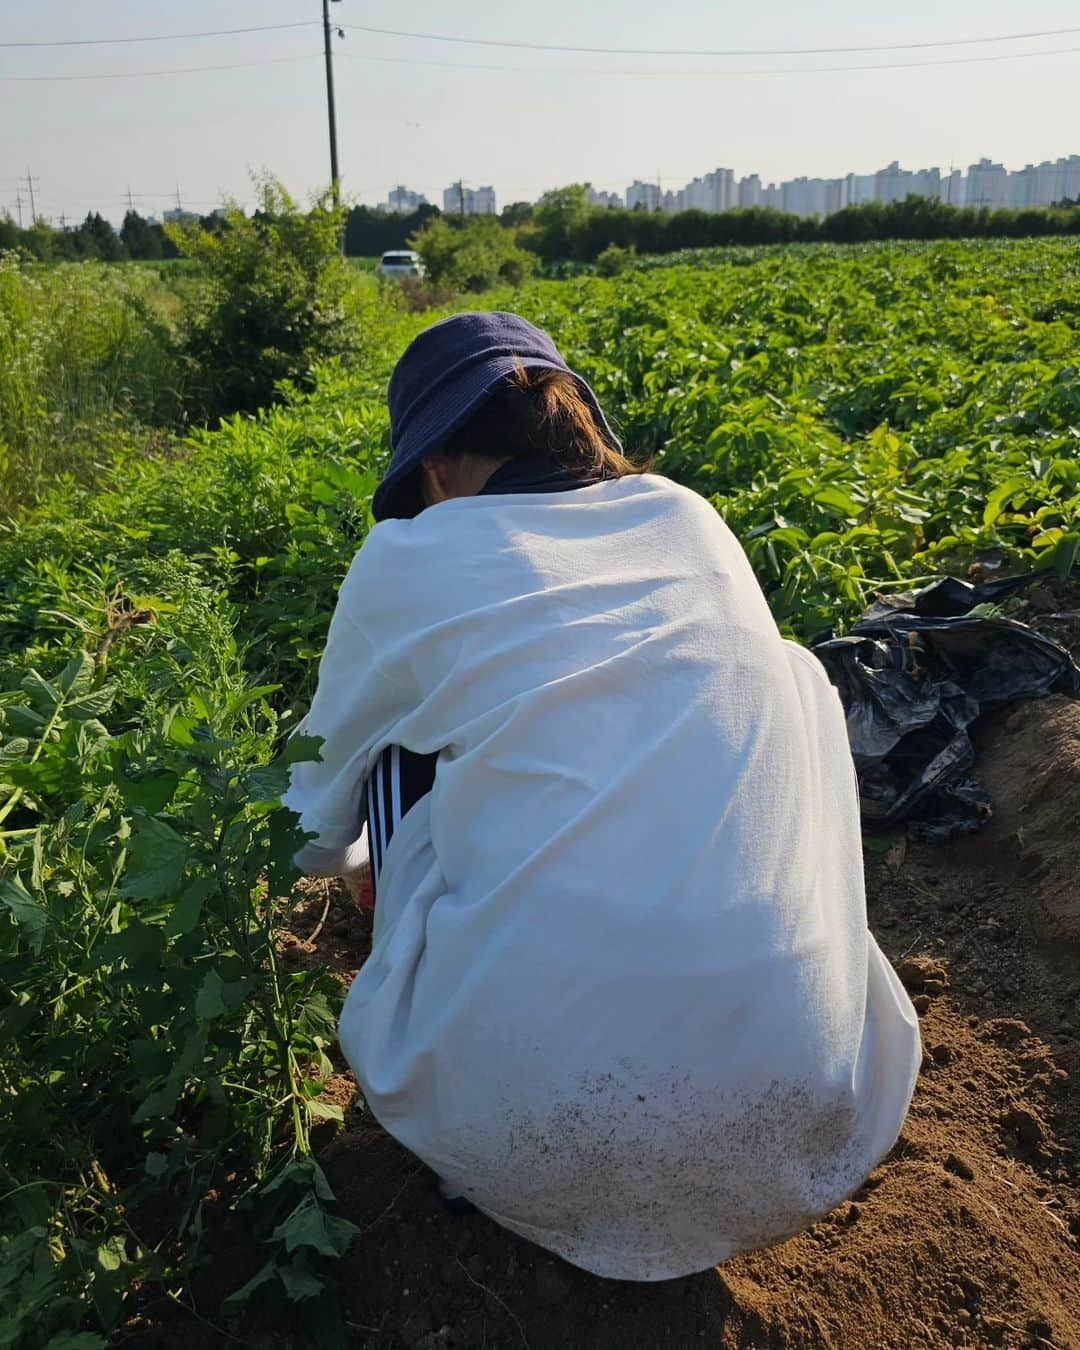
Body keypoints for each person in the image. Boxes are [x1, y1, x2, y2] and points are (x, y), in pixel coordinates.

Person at [284, 312, 921, 1281]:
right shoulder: (688, 519)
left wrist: (394, 854)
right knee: (796, 678)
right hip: (801, 1126)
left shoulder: (408, 561)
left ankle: (464, 1107)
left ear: (439, 468)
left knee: (397, 751)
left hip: (525, 1138)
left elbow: (305, 833)